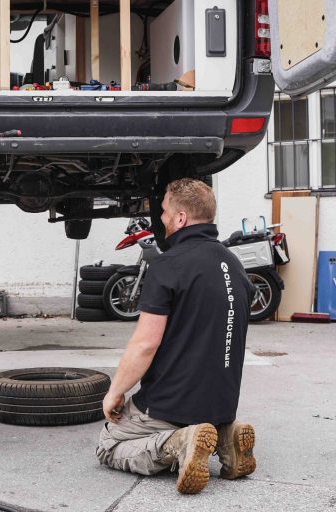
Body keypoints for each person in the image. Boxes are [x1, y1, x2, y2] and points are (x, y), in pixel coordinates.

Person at [95, 178, 256, 494]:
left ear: (181, 218)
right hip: (222, 404)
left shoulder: (168, 265)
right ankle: (226, 438)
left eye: (165, 211)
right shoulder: (234, 265)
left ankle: (179, 443)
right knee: (205, 419)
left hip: (171, 406)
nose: (162, 218)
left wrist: (115, 391)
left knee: (108, 445)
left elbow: (145, 344)